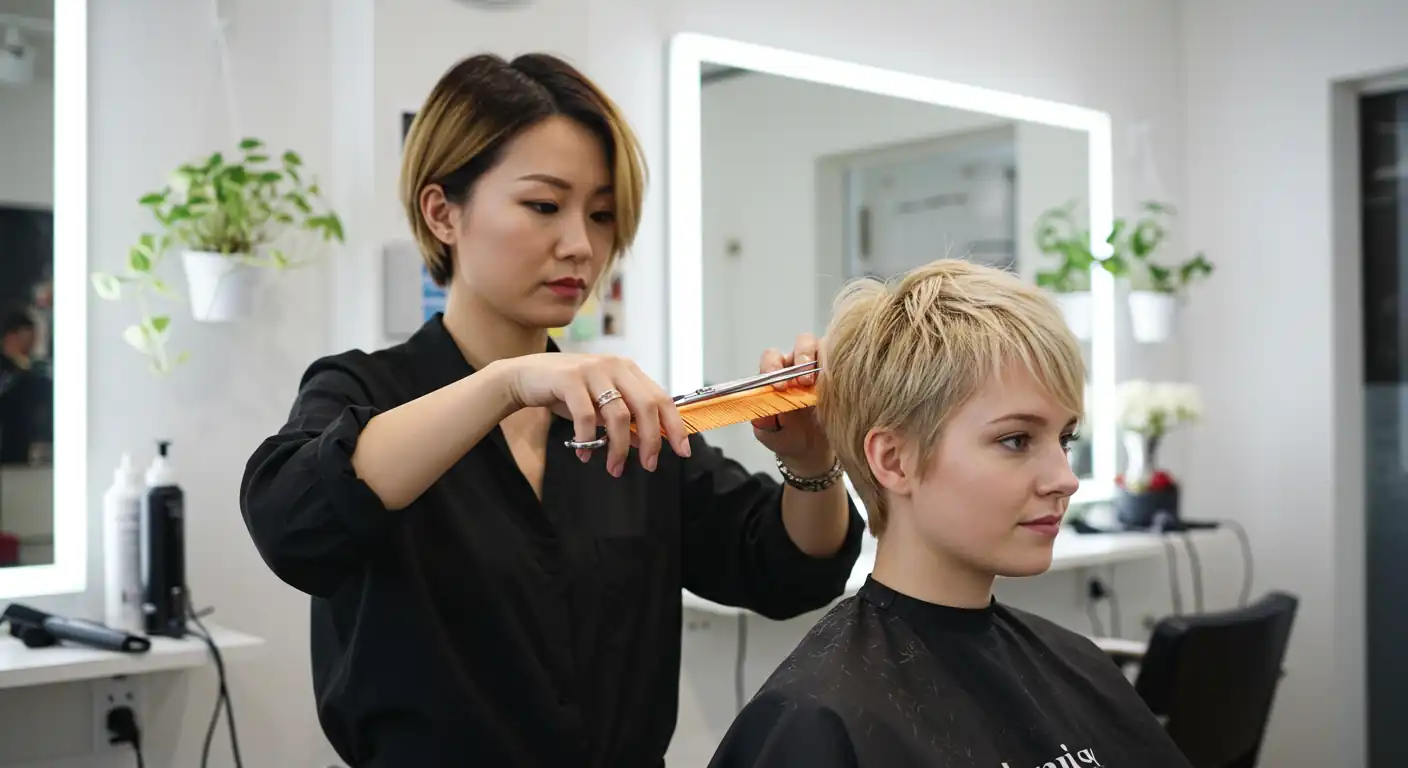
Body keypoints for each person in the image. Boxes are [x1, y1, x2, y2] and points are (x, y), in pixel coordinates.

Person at [240, 52, 863, 768]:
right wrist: (507, 383)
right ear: (442, 212)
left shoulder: (624, 418)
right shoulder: (366, 394)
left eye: (601, 215)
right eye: (544, 205)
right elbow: (295, 521)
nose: (582, 245)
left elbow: (786, 569)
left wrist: (811, 465)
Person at [706, 259, 1195, 768]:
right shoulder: (816, 720)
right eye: (1015, 440)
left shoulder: (1081, 664)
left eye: (1065, 438)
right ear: (894, 461)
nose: (1065, 478)